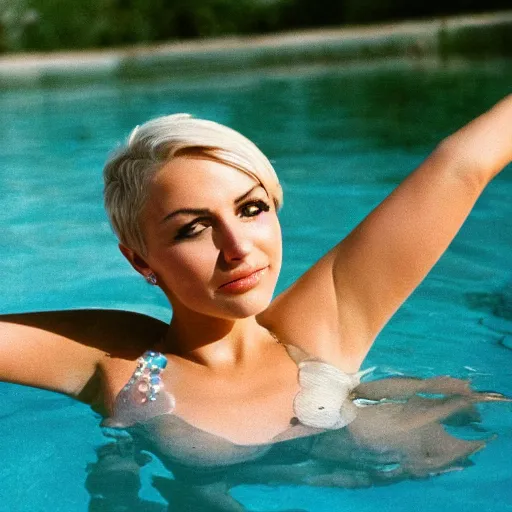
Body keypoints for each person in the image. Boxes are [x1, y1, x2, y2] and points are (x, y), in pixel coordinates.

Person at [1, 95, 511, 511]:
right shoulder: (118, 360)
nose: (239, 248)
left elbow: (462, 165)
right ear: (140, 262)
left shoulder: (318, 329)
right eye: (193, 228)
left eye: (251, 208)